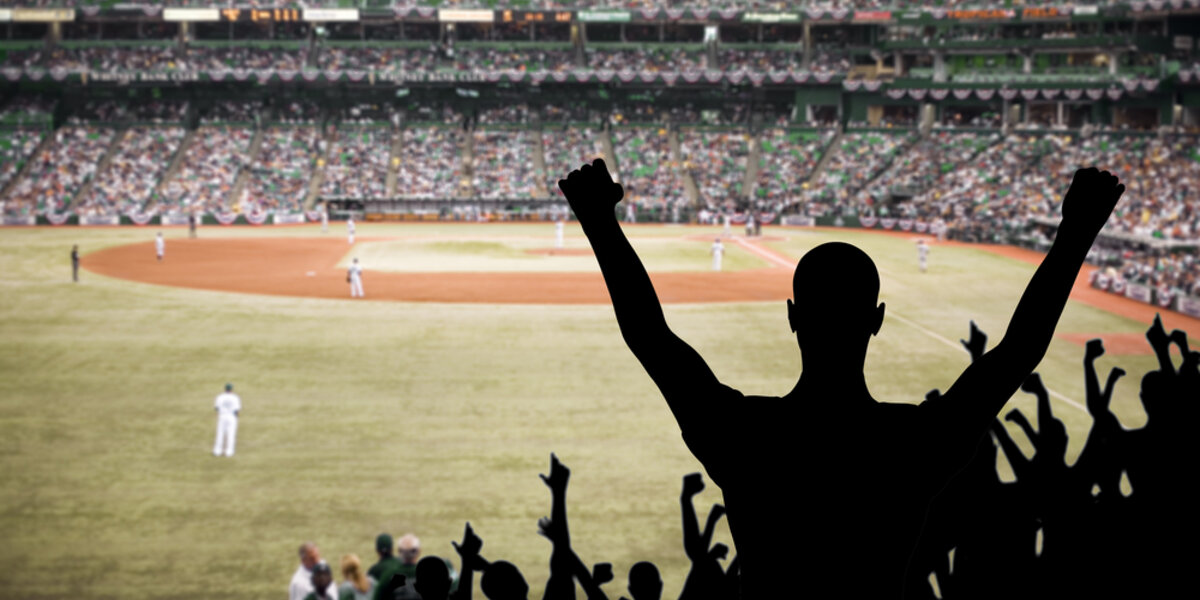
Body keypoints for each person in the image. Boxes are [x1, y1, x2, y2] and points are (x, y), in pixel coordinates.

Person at [558, 159, 1123, 599]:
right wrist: (1077, 232)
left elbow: (651, 339)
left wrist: (601, 223)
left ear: (793, 317)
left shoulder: (744, 433)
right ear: (876, 321)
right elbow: (1018, 353)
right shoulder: (914, 442)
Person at [212, 382, 240, 457]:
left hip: (222, 416)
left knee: (220, 433)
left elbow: (217, 408)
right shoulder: (235, 397)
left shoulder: (220, 397)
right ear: (231, 389)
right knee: (231, 434)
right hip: (231, 416)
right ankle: (229, 452)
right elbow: (237, 410)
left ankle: (217, 451)